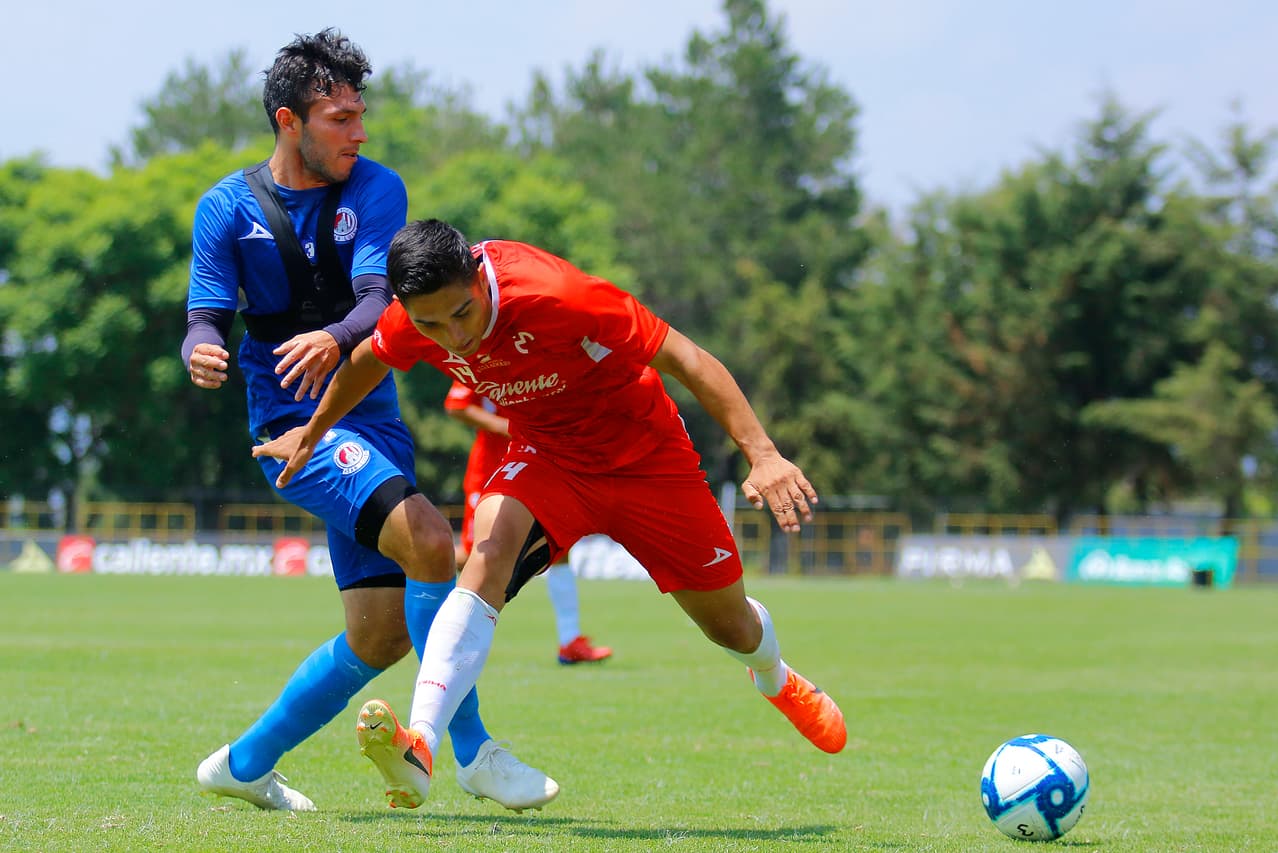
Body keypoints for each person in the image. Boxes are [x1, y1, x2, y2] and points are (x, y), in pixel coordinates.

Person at [255, 219, 847, 809]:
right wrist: (312, 434)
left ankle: (776, 678)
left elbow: (687, 358)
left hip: (648, 459)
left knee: (731, 628)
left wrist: (763, 454)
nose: (453, 337)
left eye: (461, 314)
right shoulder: (414, 322)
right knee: (485, 551)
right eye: (431, 324)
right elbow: (366, 359)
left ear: (479, 278)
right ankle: (423, 746)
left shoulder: (560, 295)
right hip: (550, 457)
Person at [183, 32, 555, 813]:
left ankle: (244, 762)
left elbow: (374, 302)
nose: (358, 132)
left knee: (381, 634)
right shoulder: (225, 207)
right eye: (339, 118)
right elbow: (205, 317)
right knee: (429, 539)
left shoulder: (376, 188)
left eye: (361, 115)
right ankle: (472, 750)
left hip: (373, 421)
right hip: (294, 426)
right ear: (290, 121)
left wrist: (337, 337)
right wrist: (203, 350)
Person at [444, 380, 612, 664]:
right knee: (474, 556)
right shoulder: (481, 352)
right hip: (491, 470)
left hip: (538, 468)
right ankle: (412, 570)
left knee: (560, 547)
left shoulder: (537, 351)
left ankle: (569, 640)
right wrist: (506, 427)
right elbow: (456, 405)